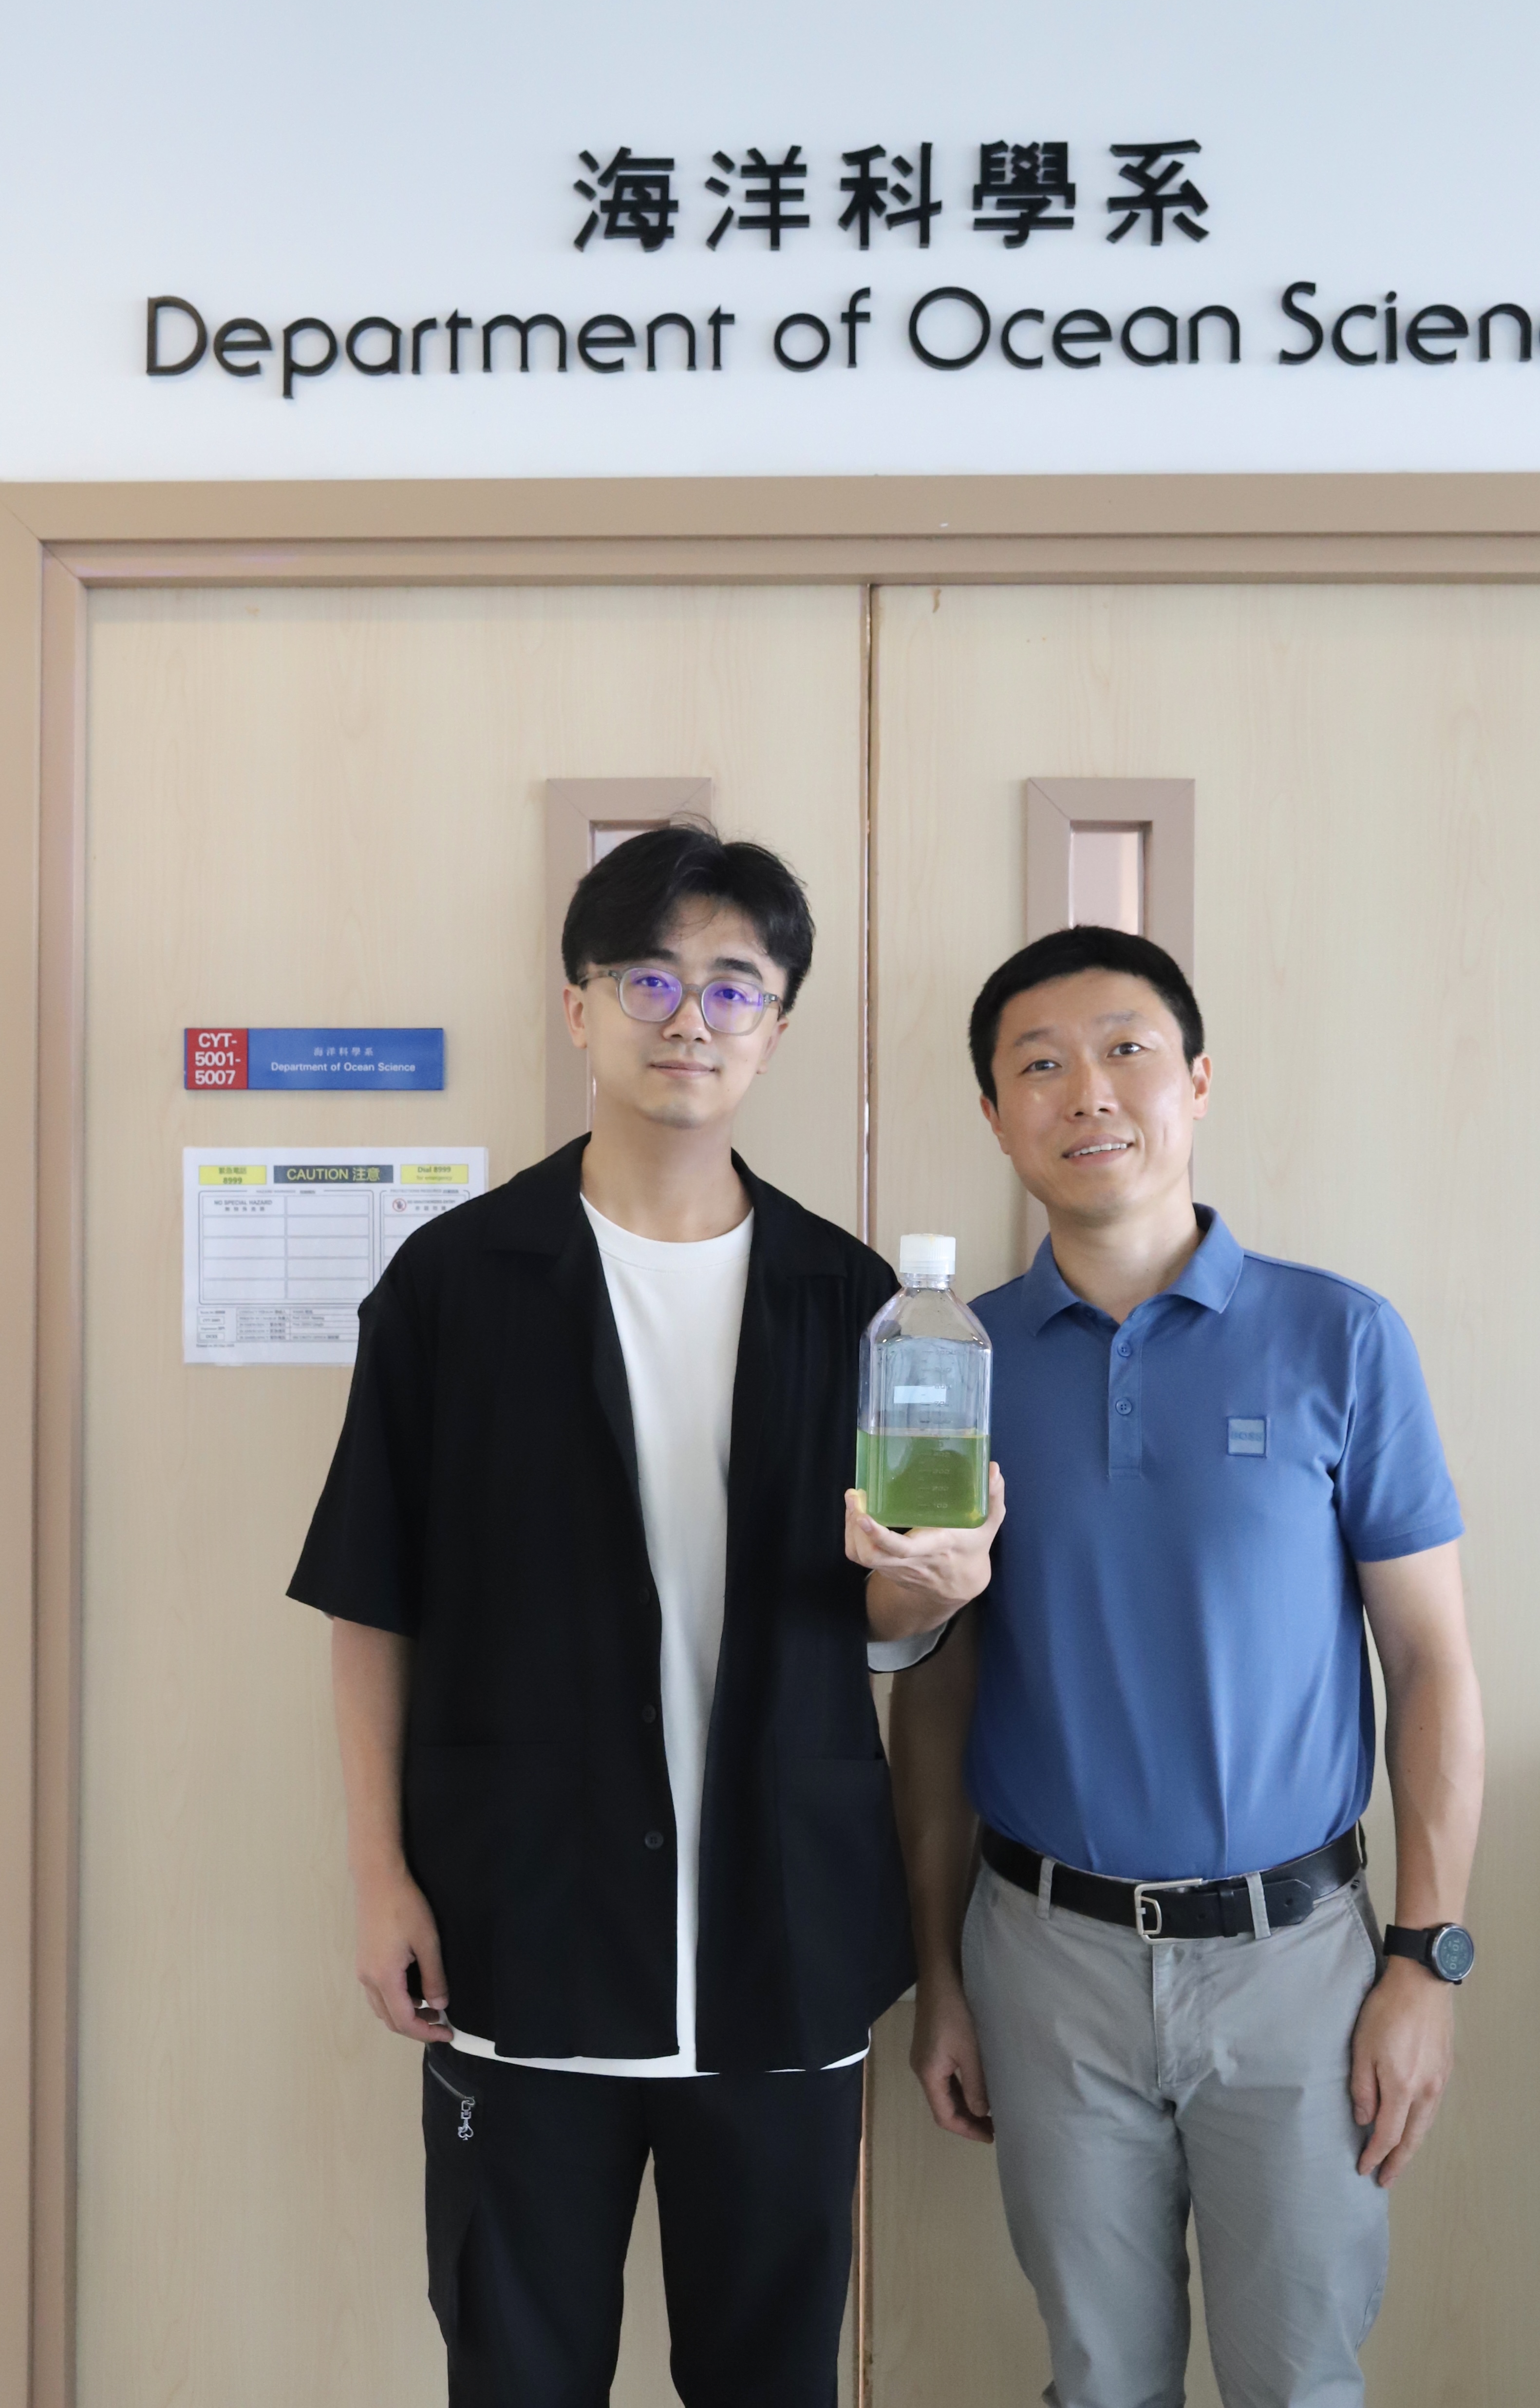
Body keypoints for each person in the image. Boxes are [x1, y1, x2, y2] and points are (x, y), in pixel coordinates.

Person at [288, 826, 995, 2408]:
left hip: (782, 1949)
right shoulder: (458, 1285)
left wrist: (930, 1588)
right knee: (519, 2372)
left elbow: (871, 1610)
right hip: (517, 1941)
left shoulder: (853, 1296)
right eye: (653, 978)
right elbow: (370, 1603)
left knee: (770, 2379)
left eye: (735, 986)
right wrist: (379, 1874)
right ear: (580, 1007)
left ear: (780, 1027)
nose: (693, 1016)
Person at [879, 925, 1485, 2408]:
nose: (1088, 1091)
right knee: (1100, 2381)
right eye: (1039, 1065)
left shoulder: (1339, 1339)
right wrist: (940, 1975)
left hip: (1300, 1965)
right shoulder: (952, 1361)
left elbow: (1433, 1664)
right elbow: (934, 1684)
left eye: (1126, 1050)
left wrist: (1426, 1955)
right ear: (997, 1116)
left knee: (1299, 2379)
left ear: (1198, 1080)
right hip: (1046, 1959)